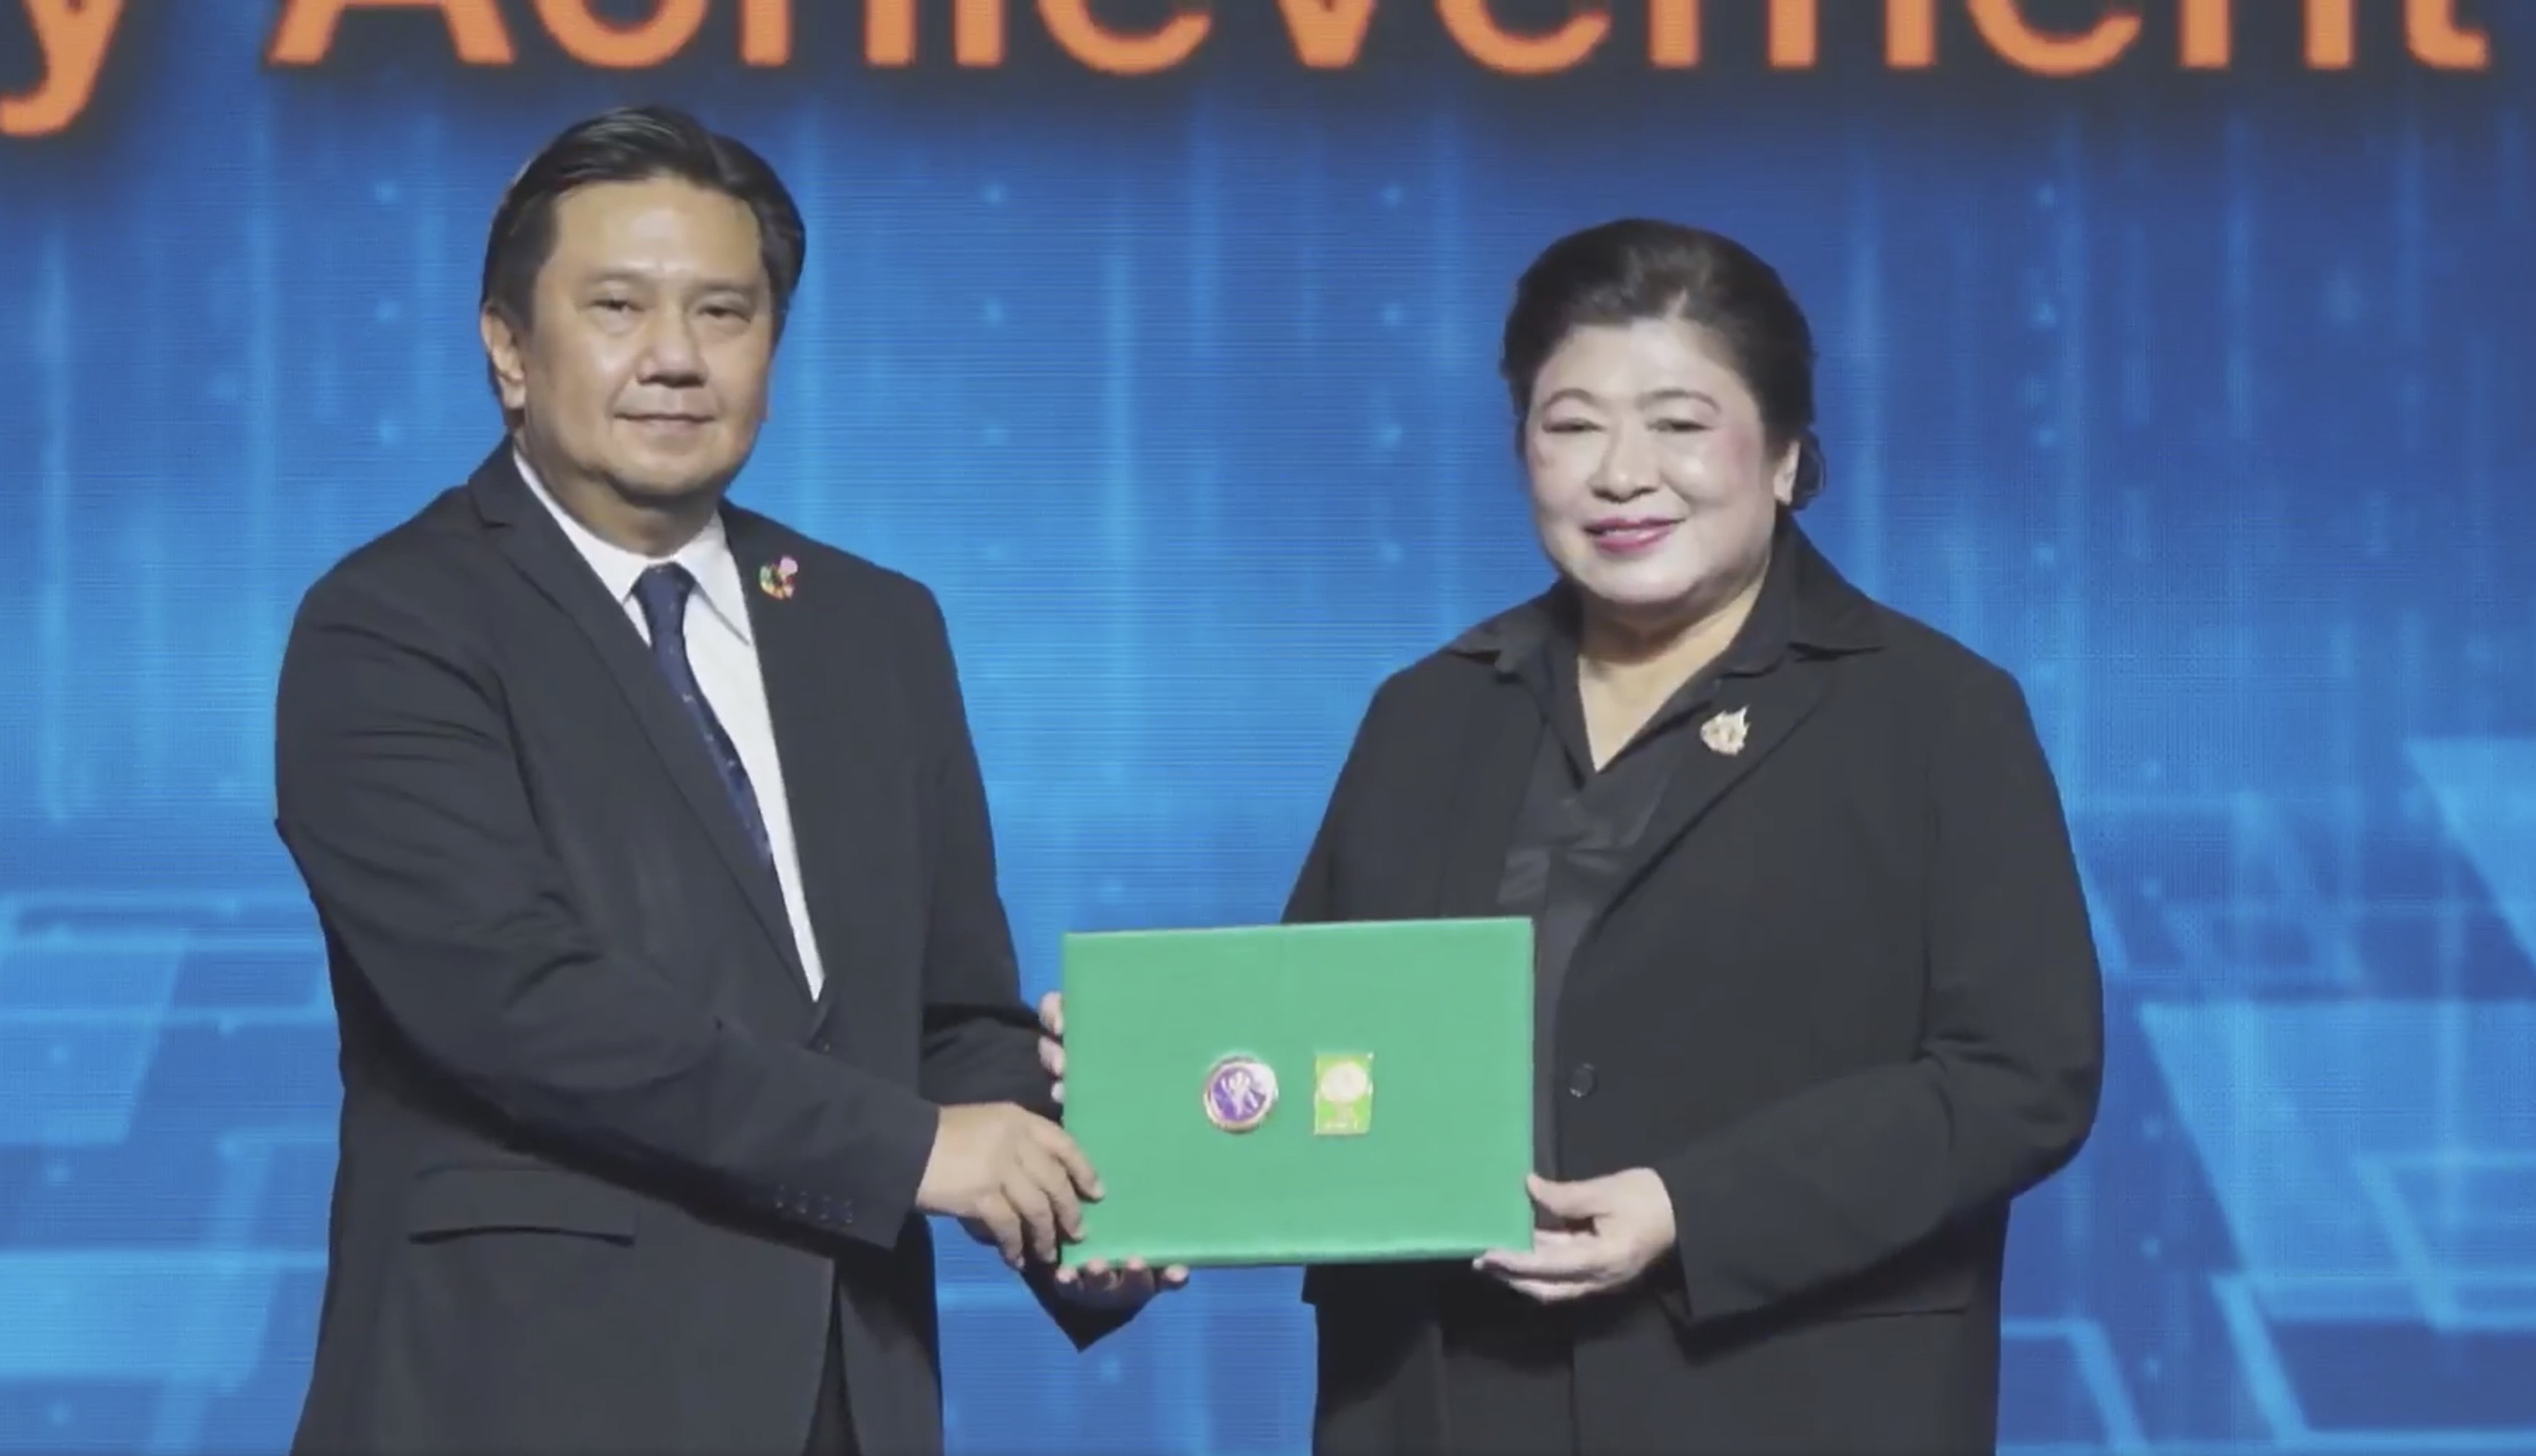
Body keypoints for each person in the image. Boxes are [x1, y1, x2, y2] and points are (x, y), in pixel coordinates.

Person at [273, 105, 1178, 1456]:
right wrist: (914, 1150)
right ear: (509, 347)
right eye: (618, 307)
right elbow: (519, 1006)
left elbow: (945, 1021)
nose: (676, 358)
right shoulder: (392, 624)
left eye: (724, 313)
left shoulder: (875, 626)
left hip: (843, 1391)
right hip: (524, 1392)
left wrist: (1095, 1203)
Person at [1280, 219, 2104, 1453]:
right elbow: (1322, 1034)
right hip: (1443, 1394)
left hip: (1785, 1392)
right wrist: (1154, 1098)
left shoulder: (1933, 714)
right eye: (1572, 425)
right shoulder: (1430, 711)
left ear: (1786, 454)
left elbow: (2021, 1078)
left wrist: (1689, 1209)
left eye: (1677, 422)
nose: (1622, 474)